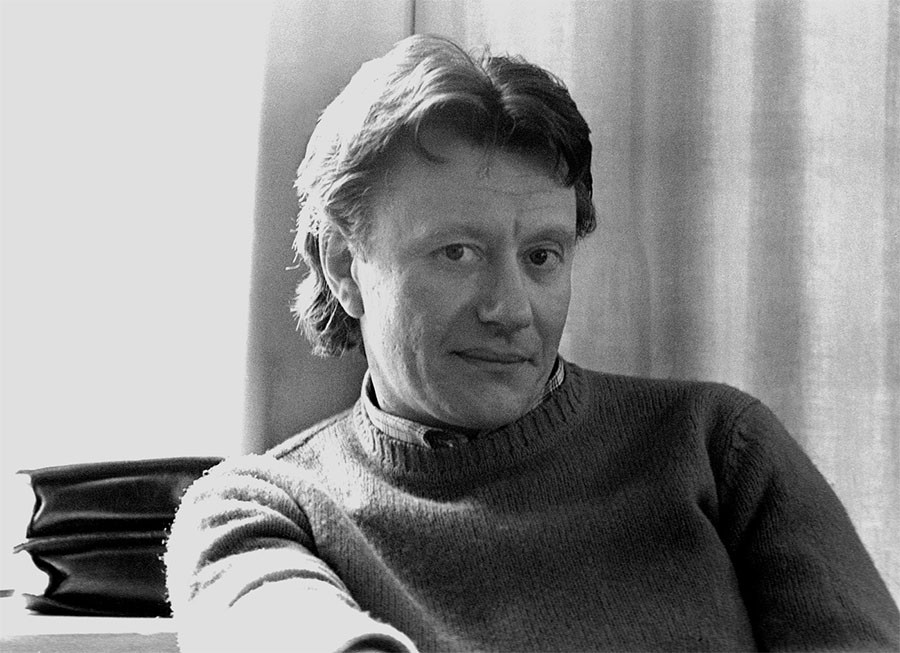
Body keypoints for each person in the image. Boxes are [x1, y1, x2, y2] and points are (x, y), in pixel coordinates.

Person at [165, 34, 899, 652]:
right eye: (457, 252)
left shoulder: (719, 447)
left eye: (542, 256)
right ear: (342, 266)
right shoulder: (263, 507)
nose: (511, 309)